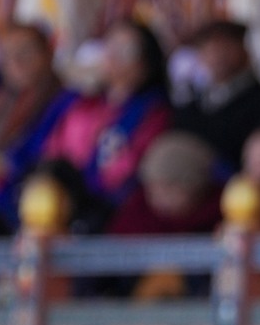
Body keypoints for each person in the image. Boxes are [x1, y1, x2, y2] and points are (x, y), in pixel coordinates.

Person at [44, 19, 170, 209]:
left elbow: (132, 170)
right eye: (109, 45)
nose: (113, 55)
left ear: (146, 62)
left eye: (126, 50)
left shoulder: (155, 112)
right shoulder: (81, 104)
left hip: (112, 209)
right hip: (60, 202)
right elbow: (53, 149)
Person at [0, 23, 75, 213]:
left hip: (13, 205)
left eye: (26, 52)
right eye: (7, 55)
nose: (16, 62)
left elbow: (41, 164)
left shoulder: (67, 103)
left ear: (48, 52)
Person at [170, 20, 260, 168]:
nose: (217, 55)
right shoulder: (191, 105)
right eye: (208, 48)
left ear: (245, 49)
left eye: (225, 46)